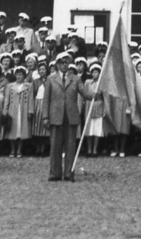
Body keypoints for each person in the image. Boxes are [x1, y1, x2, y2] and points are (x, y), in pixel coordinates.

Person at [44, 50, 94, 182]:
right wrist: (45, 117)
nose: (65, 65)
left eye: (67, 62)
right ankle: (55, 172)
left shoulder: (76, 79)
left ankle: (68, 172)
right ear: (57, 64)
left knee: (70, 146)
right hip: (55, 116)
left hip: (71, 116)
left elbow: (85, 93)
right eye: (62, 62)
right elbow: (46, 100)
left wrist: (95, 94)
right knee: (55, 146)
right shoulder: (51, 78)